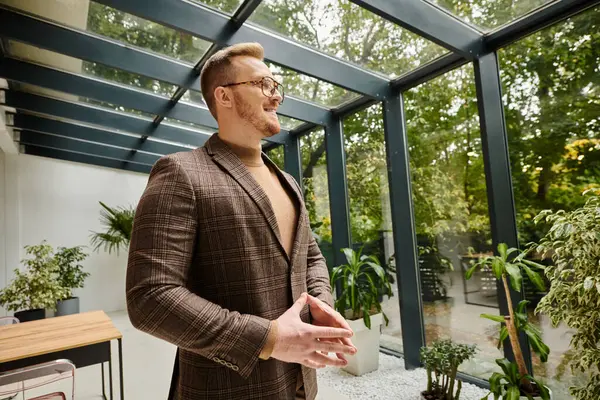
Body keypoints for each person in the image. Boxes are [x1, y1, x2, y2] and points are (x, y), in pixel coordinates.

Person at [126, 42, 357, 400]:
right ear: (225, 96)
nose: (275, 96)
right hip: (225, 390)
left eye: (276, 86)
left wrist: (320, 307)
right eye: (263, 84)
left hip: (299, 385)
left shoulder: (289, 183)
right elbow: (151, 297)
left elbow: (310, 258)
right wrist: (270, 338)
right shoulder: (181, 173)